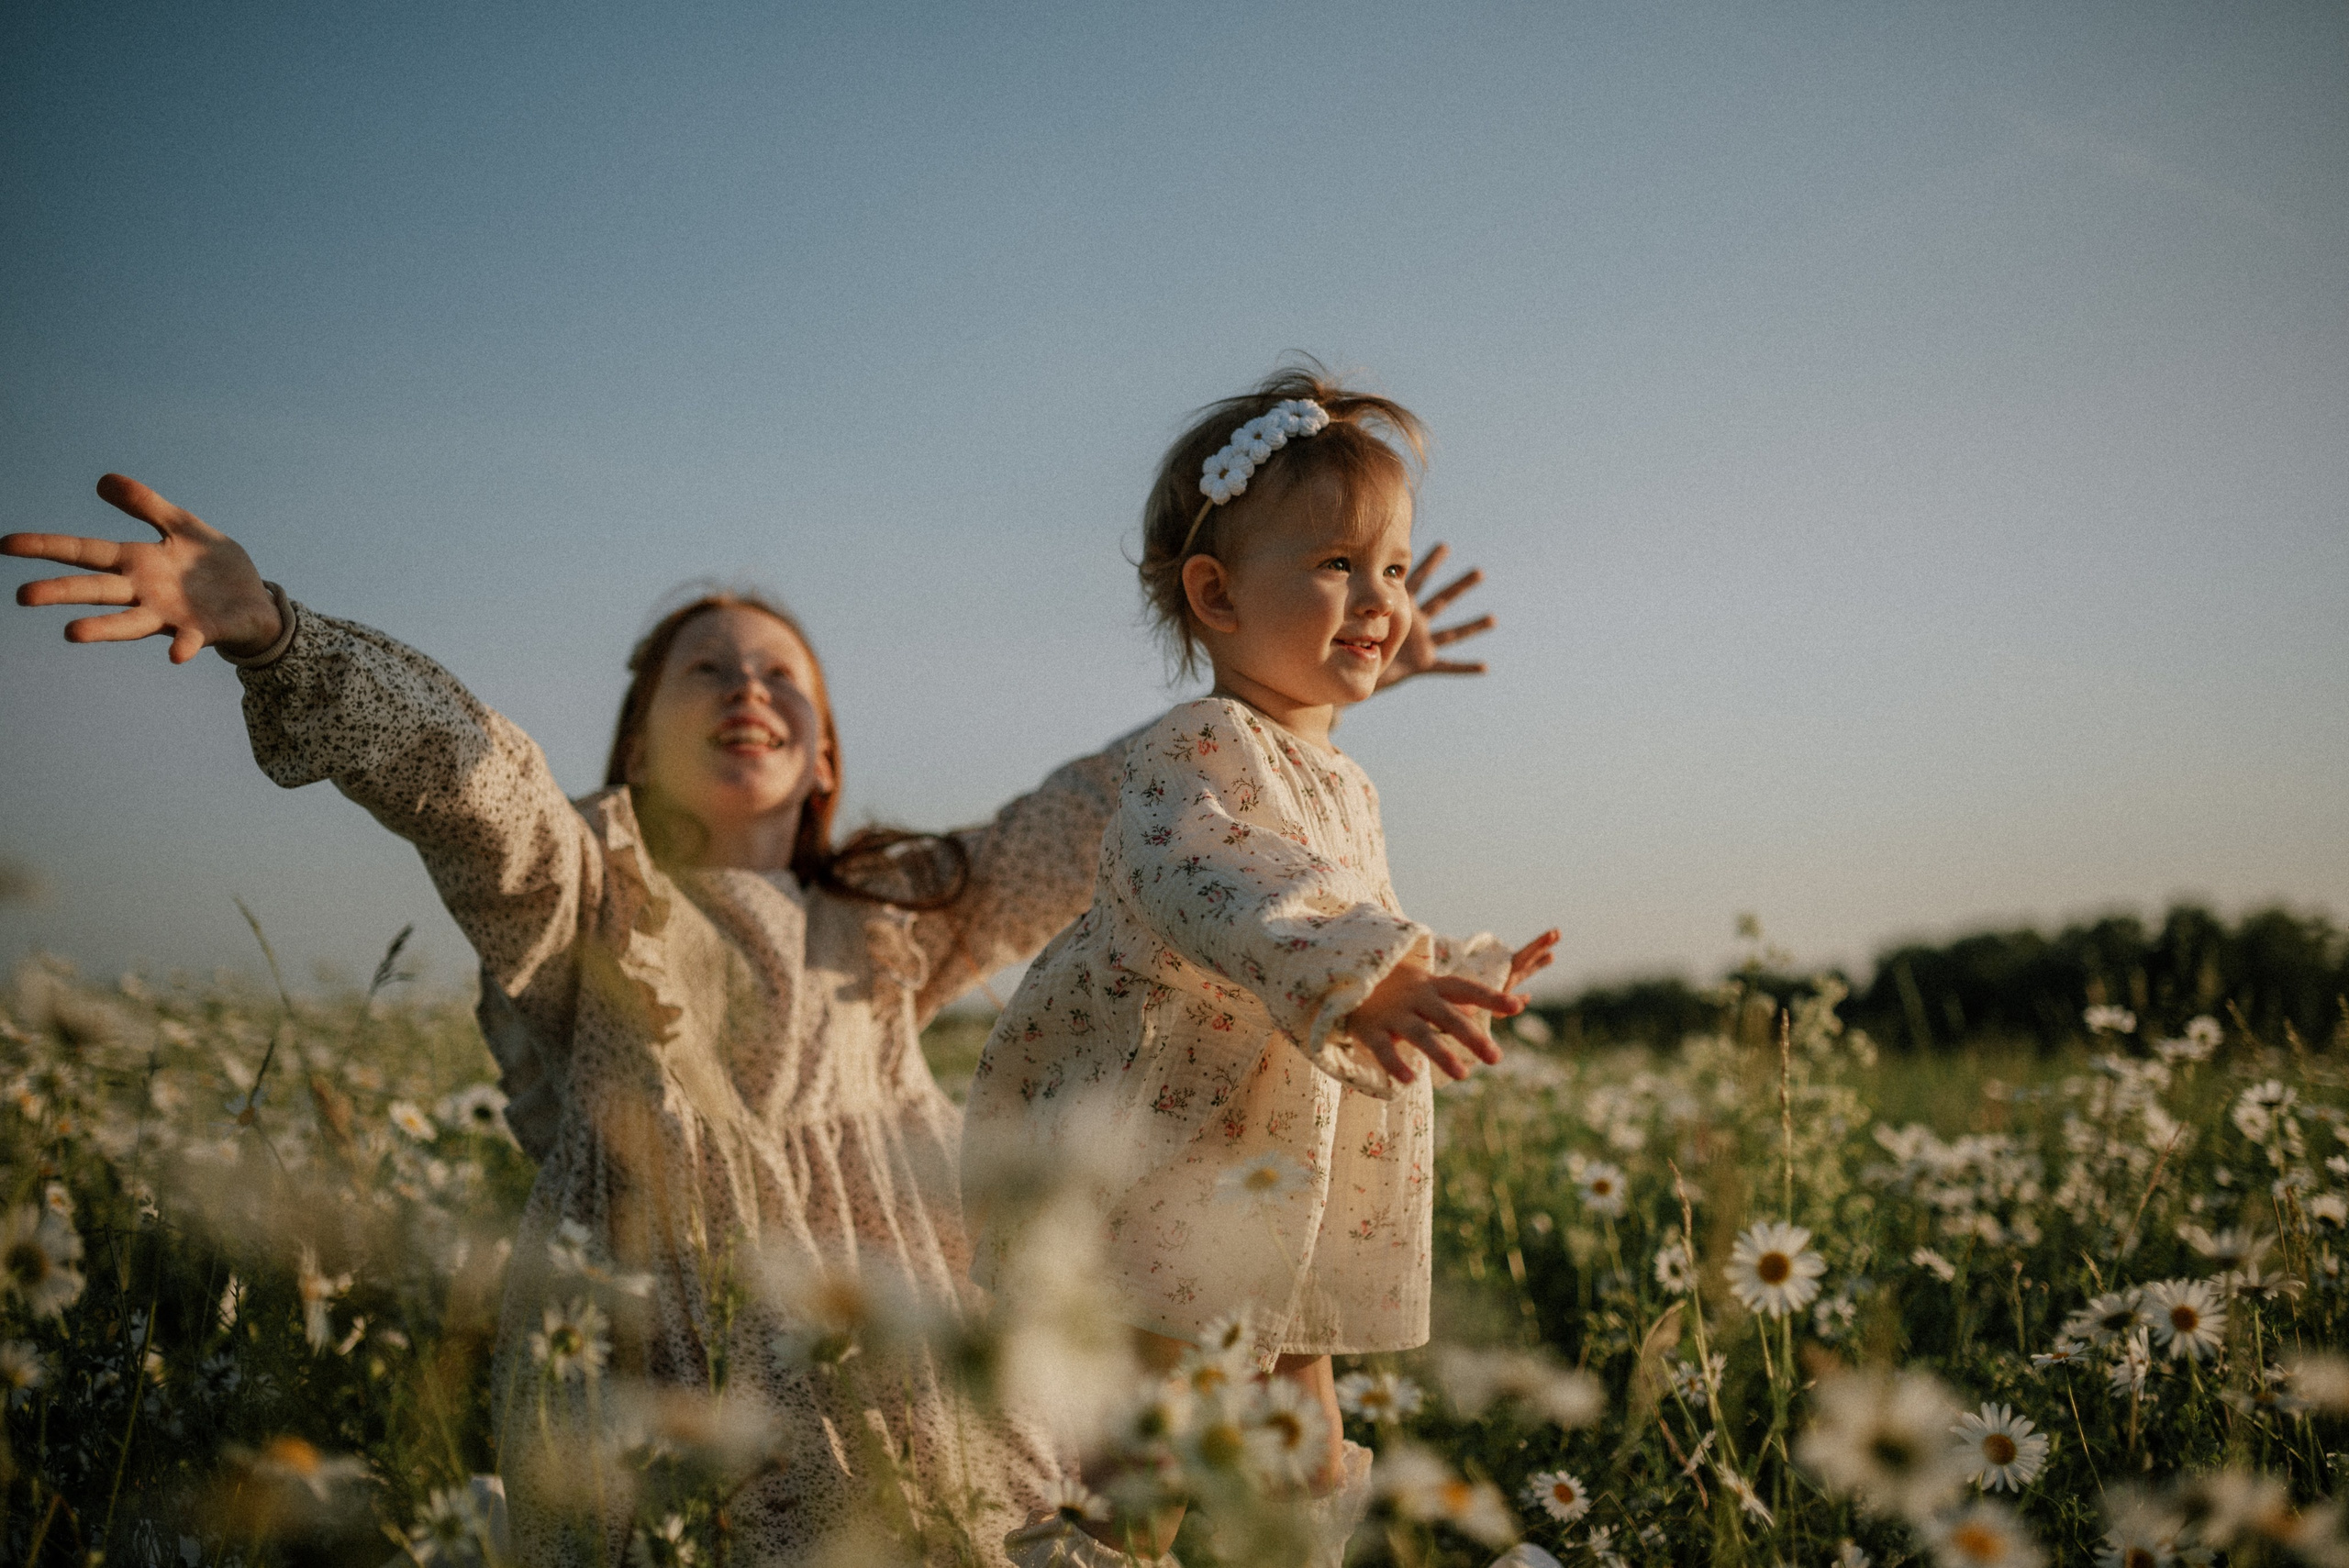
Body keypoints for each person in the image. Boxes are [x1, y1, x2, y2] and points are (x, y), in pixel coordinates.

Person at [3, 470, 1497, 1567]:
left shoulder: (901, 913)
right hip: (683, 1385)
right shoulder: (580, 890)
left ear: (826, 742)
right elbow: (472, 775)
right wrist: (276, 632)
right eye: (700, 669)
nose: (746, 688)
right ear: (636, 733)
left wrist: (1312, 686)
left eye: (782, 672)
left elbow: (1110, 800)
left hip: (931, 1385)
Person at [963, 366, 1559, 1567]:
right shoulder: (1190, 757)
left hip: (1296, 1171)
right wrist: (1370, 972)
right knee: (1160, 1445)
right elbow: (1225, 890)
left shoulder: (1341, 776)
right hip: (1187, 1175)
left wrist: (1449, 968)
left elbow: (1345, 908)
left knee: (1302, 1419)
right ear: (1217, 594)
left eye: (1392, 566)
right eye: (1338, 563)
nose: (1382, 596)